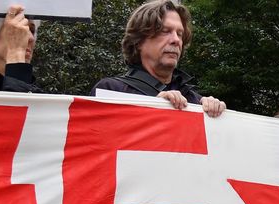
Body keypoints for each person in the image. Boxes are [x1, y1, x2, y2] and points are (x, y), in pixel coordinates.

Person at [93, 0, 226, 118]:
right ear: (139, 41)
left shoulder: (195, 101)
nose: (176, 40)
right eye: (165, 31)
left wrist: (214, 114)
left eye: (179, 34)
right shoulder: (110, 90)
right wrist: (153, 107)